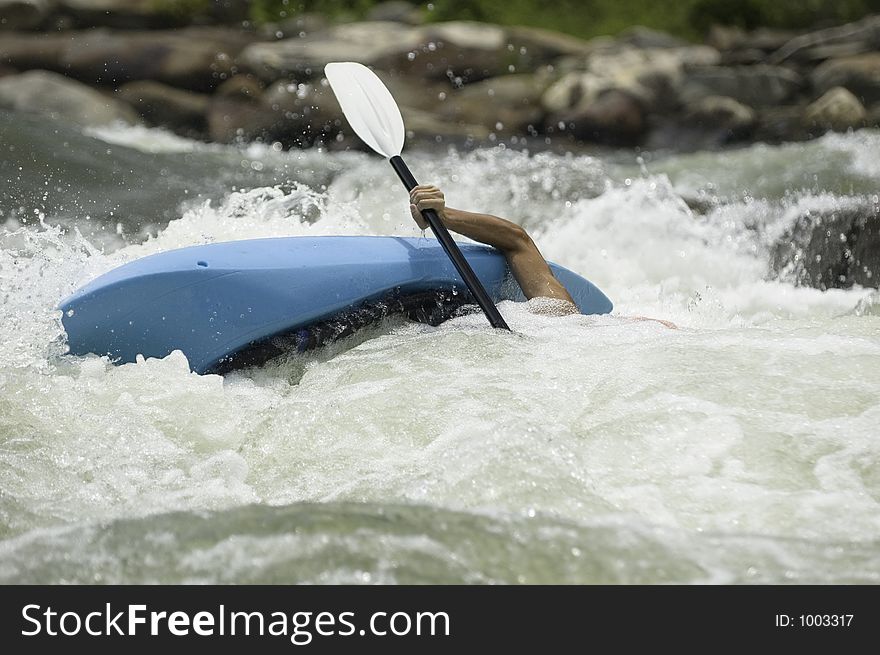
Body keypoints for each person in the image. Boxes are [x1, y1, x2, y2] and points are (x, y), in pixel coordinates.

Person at [409, 184, 677, 327]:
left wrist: (445, 216)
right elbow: (515, 240)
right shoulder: (559, 311)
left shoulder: (559, 311)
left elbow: (516, 239)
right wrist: (443, 216)